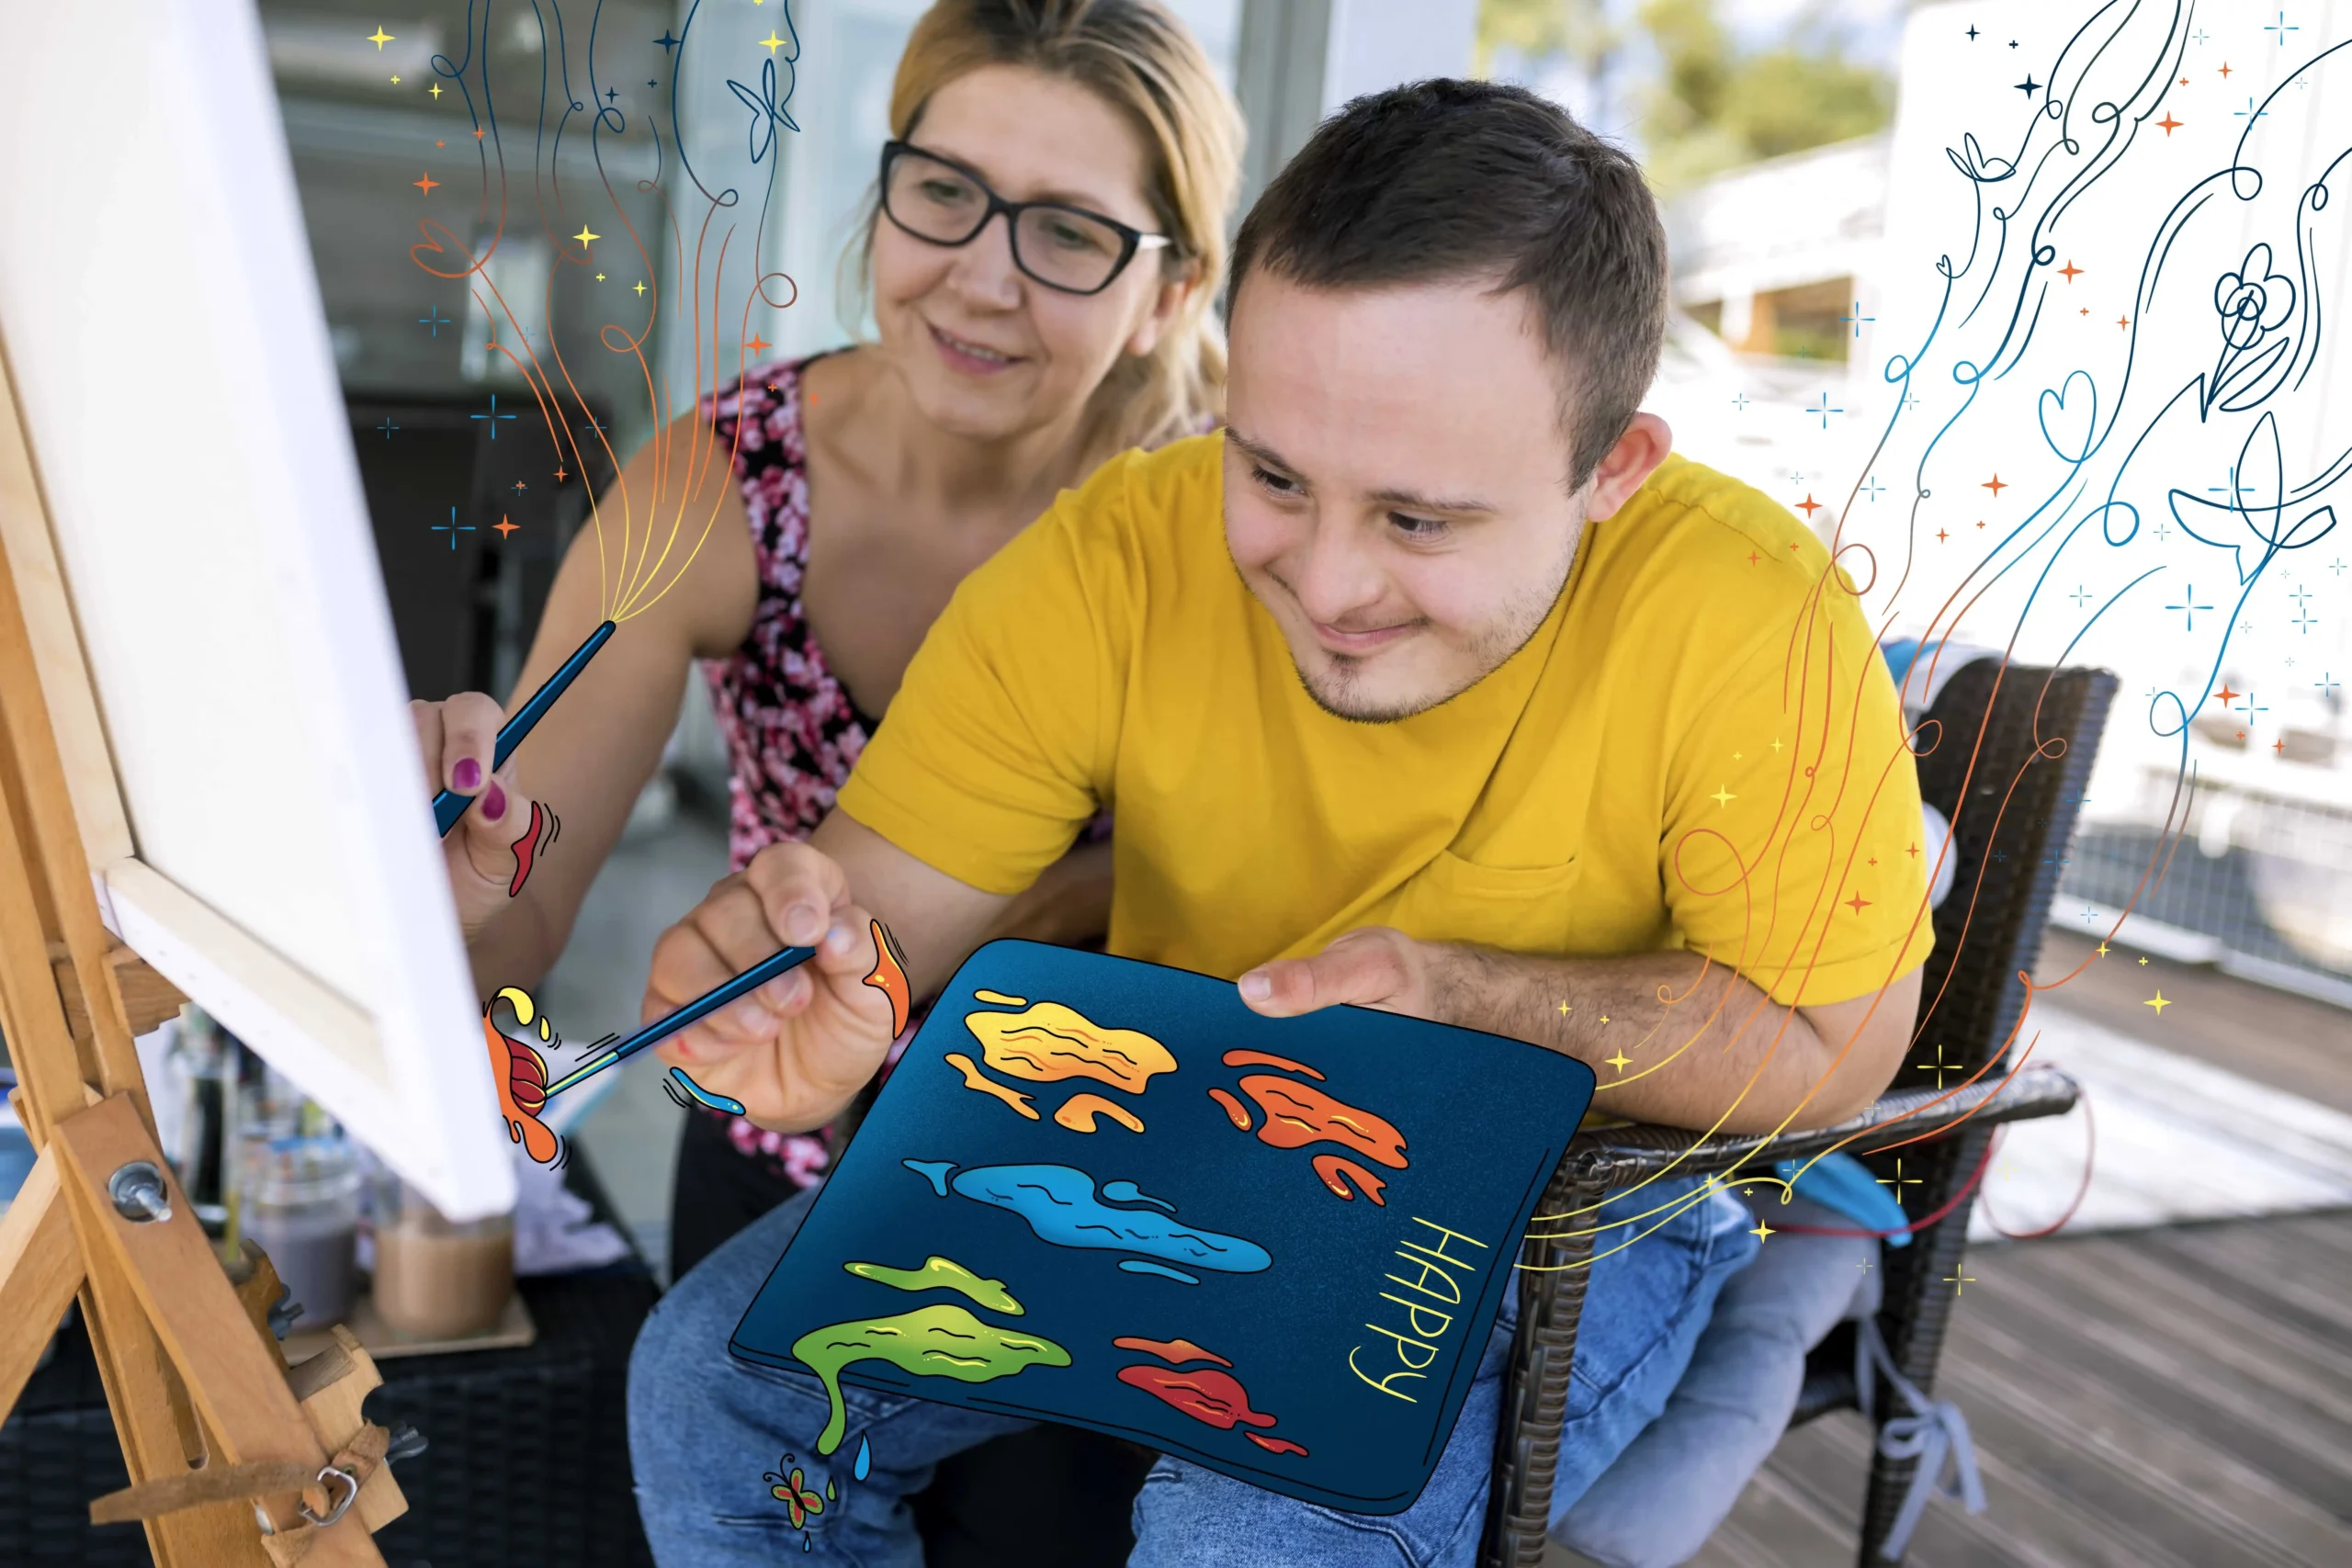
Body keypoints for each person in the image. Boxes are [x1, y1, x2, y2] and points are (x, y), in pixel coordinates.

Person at [625, 77, 1934, 1568]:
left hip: (1571, 1188)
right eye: (1274, 474)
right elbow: (871, 908)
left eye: (1419, 519)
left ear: (1611, 470)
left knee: (1247, 1526)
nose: (1324, 581)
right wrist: (801, 974)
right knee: (710, 1387)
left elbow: (1837, 1044)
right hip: (1188, 1125)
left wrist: (1466, 999)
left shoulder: (1750, 614)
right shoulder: (1120, 552)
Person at [407, 0, 1240, 1280]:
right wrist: (443, 883)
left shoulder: (1241, 518)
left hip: (1118, 1187)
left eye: (1069, 232)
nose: (981, 275)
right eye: (942, 192)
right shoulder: (729, 481)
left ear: (1166, 294)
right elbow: (527, 904)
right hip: (781, 1144)